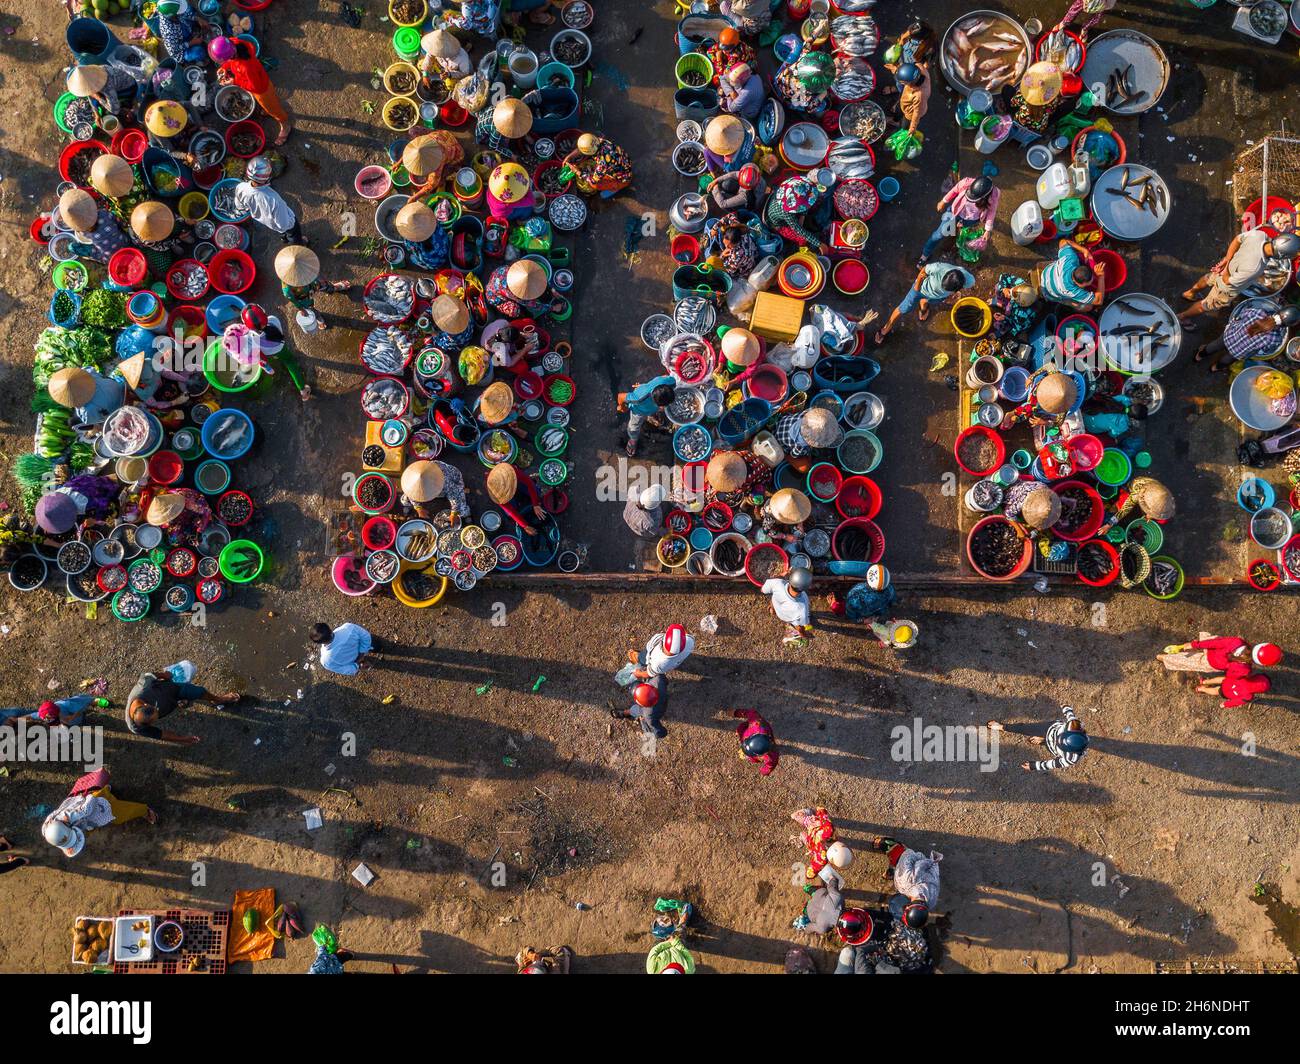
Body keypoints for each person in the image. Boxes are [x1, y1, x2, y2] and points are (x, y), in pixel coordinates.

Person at [1180, 230, 1300, 325]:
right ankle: (1182, 316)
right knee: (1206, 304)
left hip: (1226, 267)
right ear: (1281, 255)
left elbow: (1237, 240)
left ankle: (1190, 293)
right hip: (1226, 287)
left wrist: (1227, 259)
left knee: (1207, 279)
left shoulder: (1260, 235)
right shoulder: (1255, 268)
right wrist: (1226, 269)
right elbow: (1227, 282)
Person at [42, 770, 157, 858]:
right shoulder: (50, 831)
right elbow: (60, 834)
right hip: (83, 809)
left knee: (119, 815)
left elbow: (87, 808)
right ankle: (105, 790)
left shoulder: (69, 817)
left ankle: (144, 811)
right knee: (104, 798)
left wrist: (90, 797)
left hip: (96, 803)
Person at [126, 665, 240, 744]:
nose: (157, 709)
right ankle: (179, 703)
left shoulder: (143, 687)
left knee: (199, 691)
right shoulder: (136, 727)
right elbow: (160, 734)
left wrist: (164, 675)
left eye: (156, 709)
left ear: (146, 704)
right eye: (155, 719)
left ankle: (217, 699)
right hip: (169, 702)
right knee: (179, 702)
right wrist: (182, 739)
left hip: (172, 689)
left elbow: (149, 675)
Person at [211, 35, 291, 145]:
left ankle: (285, 125)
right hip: (261, 78)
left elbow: (255, 87)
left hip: (262, 90)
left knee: (274, 110)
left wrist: (234, 82)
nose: (225, 61)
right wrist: (224, 68)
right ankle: (268, 107)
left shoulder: (246, 67)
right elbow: (231, 60)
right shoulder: (233, 43)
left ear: (232, 55)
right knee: (269, 103)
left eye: (225, 60)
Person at [875, 262, 974, 344]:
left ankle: (923, 308)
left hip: (936, 297)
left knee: (927, 301)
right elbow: (924, 270)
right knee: (903, 309)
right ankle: (885, 329)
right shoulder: (938, 267)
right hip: (920, 290)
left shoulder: (969, 280)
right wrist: (917, 286)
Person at [919, 175, 999, 266]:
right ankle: (925, 254)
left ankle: (956, 230)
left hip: (971, 219)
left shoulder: (994, 195)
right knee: (939, 234)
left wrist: (988, 230)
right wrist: (943, 201)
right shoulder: (966, 182)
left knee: (959, 230)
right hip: (954, 212)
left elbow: (992, 212)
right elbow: (954, 190)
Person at [1194, 303, 1299, 372]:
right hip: (1239, 351)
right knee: (1227, 359)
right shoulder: (1275, 338)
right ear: (1285, 326)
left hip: (1230, 336)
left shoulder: (1258, 313)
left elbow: (1242, 315)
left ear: (1278, 311)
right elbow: (1265, 349)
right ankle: (1214, 368)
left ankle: (1199, 356)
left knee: (1215, 345)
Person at [988, 704, 1088, 772]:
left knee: (1048, 744)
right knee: (1024, 728)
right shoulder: (1074, 725)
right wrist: (1066, 708)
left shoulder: (1071, 758)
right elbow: (1070, 715)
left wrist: (1034, 766)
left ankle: (1044, 741)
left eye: (1058, 743)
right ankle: (1002, 727)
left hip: (1051, 747)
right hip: (1049, 729)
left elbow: (1053, 764)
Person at [868, 836, 941, 929]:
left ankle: (892, 872)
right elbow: (907, 856)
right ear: (908, 906)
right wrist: (903, 858)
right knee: (896, 854)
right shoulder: (906, 881)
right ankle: (892, 845)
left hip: (924, 868)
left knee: (899, 870)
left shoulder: (932, 901)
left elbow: (934, 871)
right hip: (911, 860)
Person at [275, 245, 350, 331]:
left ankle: (333, 288)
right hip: (303, 295)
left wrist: (315, 278)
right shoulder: (288, 291)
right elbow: (295, 301)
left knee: (323, 284)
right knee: (309, 307)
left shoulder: (304, 264)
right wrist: (301, 309)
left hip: (314, 282)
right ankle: (317, 316)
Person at [235, 156, 303, 243]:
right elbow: (284, 224)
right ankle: (297, 244)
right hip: (285, 224)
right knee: (292, 233)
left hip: (270, 224)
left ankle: (284, 239)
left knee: (282, 231)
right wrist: (291, 224)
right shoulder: (273, 200)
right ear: (266, 178)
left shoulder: (241, 187)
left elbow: (240, 206)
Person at [763, 172, 832, 253]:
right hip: (778, 225)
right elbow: (799, 230)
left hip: (779, 207)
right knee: (801, 238)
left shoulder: (792, 186)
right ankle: (801, 248)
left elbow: (805, 198)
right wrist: (819, 244)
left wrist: (803, 216)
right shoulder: (786, 213)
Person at [58, 188, 127, 264]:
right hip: (125, 244)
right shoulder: (105, 213)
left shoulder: (82, 231)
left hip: (109, 258)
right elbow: (122, 224)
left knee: (71, 247)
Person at [1039, 237, 1105, 310]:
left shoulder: (1071, 258)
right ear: (1080, 285)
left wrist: (1084, 250)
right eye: (1089, 282)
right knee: (1088, 307)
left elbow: (1063, 241)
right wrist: (1101, 277)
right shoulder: (1073, 291)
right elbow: (1099, 301)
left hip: (1046, 273)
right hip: (1048, 292)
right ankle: (1064, 302)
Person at [1158, 636, 1281, 675]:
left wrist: (1194, 644)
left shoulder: (1237, 642)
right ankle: (1164, 658)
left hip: (1211, 650)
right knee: (1187, 662)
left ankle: (1186, 649)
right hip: (1211, 663)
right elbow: (1230, 673)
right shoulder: (1245, 669)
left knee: (1213, 640)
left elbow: (1214, 643)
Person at [619, 373, 677, 457]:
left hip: (650, 404)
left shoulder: (670, 382)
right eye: (663, 406)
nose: (665, 407)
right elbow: (620, 396)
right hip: (638, 411)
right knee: (634, 427)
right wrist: (621, 407)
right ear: (655, 402)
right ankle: (633, 439)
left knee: (653, 411)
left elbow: (665, 377)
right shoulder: (638, 399)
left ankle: (652, 414)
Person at [560, 133, 633, 198]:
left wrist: (576, 171)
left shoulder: (602, 164)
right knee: (595, 169)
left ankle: (616, 187)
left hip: (622, 178)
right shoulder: (600, 141)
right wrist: (569, 156)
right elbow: (583, 149)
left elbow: (593, 181)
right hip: (623, 163)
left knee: (594, 185)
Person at [1096, 475, 1174, 536]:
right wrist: (1109, 524)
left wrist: (1151, 515)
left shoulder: (1163, 495)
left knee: (1163, 520)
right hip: (1130, 491)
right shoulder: (1138, 492)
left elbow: (1162, 508)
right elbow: (1125, 509)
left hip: (1152, 496)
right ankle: (1113, 506)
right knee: (1120, 506)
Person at [486, 462, 545, 536]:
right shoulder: (496, 493)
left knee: (536, 491)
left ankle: (523, 492)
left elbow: (529, 484)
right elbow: (510, 510)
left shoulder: (511, 472)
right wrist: (525, 526)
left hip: (518, 482)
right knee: (509, 514)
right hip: (506, 489)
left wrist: (535, 504)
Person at [828, 564, 898, 624]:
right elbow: (893, 600)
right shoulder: (890, 589)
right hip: (880, 612)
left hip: (863, 616)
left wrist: (864, 620)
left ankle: (834, 605)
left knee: (839, 608)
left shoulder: (855, 596)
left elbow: (851, 616)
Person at [399, 460, 469, 521]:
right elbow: (411, 493)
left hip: (453, 482)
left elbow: (454, 496)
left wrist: (454, 513)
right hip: (440, 486)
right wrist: (418, 508)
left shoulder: (444, 481)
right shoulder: (412, 477)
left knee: (463, 511)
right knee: (404, 500)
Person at [762, 566, 814, 646]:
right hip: (788, 618)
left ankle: (772, 610)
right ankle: (794, 637)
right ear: (805, 588)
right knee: (799, 628)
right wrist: (804, 635)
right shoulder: (803, 606)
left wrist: (781, 576)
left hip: (777, 607)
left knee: (775, 600)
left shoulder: (778, 583)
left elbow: (763, 590)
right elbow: (800, 627)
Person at [629, 624, 695, 681]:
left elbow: (648, 673)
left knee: (643, 657)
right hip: (675, 663)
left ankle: (638, 658)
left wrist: (639, 674)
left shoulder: (658, 663)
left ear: (664, 640)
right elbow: (683, 628)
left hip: (649, 654)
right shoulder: (690, 641)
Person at [312, 621, 377, 677]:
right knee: (374, 644)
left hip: (355, 662)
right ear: (330, 629)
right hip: (364, 649)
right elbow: (366, 636)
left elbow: (345, 670)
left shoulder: (325, 661)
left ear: (319, 643)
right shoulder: (348, 627)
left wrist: (358, 665)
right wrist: (362, 654)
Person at [1198, 661, 1270, 709]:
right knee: (1216, 690)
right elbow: (1236, 702)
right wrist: (1226, 704)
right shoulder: (1248, 696)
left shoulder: (1245, 677)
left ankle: (1205, 682)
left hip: (1228, 681)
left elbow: (1239, 672)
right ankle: (1201, 689)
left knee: (1221, 680)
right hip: (1228, 693)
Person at [733, 709, 778, 775]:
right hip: (746, 729)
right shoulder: (755, 722)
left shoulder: (771, 756)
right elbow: (750, 712)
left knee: (753, 759)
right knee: (740, 729)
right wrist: (736, 713)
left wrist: (764, 771)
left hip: (751, 733)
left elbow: (769, 766)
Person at [1052, 0, 1117, 40]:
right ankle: (1064, 22)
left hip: (1105, 4)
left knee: (1096, 17)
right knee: (1075, 9)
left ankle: (1085, 29)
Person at [897, 62, 931, 137]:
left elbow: (916, 113)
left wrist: (912, 128)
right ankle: (895, 119)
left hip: (911, 112)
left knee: (905, 124)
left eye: (903, 83)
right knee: (898, 110)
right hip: (907, 99)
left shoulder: (919, 95)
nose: (902, 84)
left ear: (911, 83)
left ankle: (903, 130)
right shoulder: (919, 67)